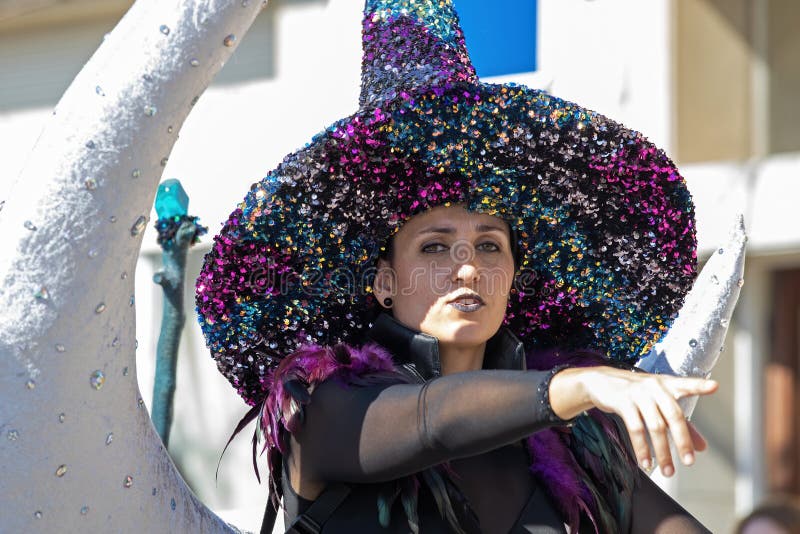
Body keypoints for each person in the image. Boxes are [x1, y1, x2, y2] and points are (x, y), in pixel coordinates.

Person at [195, 1, 718, 532]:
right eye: (434, 248)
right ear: (383, 281)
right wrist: (576, 386)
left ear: (515, 275)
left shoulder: (579, 445)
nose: (467, 269)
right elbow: (432, 421)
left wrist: (574, 397)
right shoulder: (326, 406)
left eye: (490, 247)